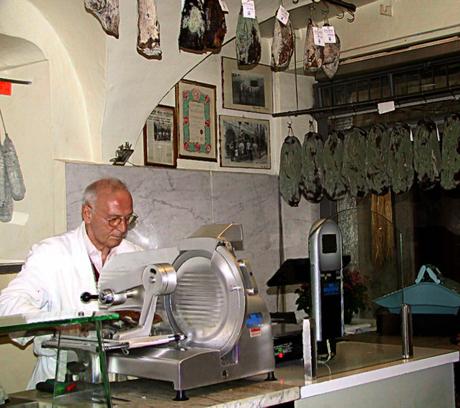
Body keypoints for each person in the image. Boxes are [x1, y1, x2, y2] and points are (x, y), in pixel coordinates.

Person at [0, 177, 142, 388]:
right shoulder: (51, 253)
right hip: (61, 380)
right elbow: (7, 306)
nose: (122, 228)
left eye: (127, 219)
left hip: (120, 380)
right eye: (113, 219)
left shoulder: (135, 256)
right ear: (87, 213)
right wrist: (58, 322)